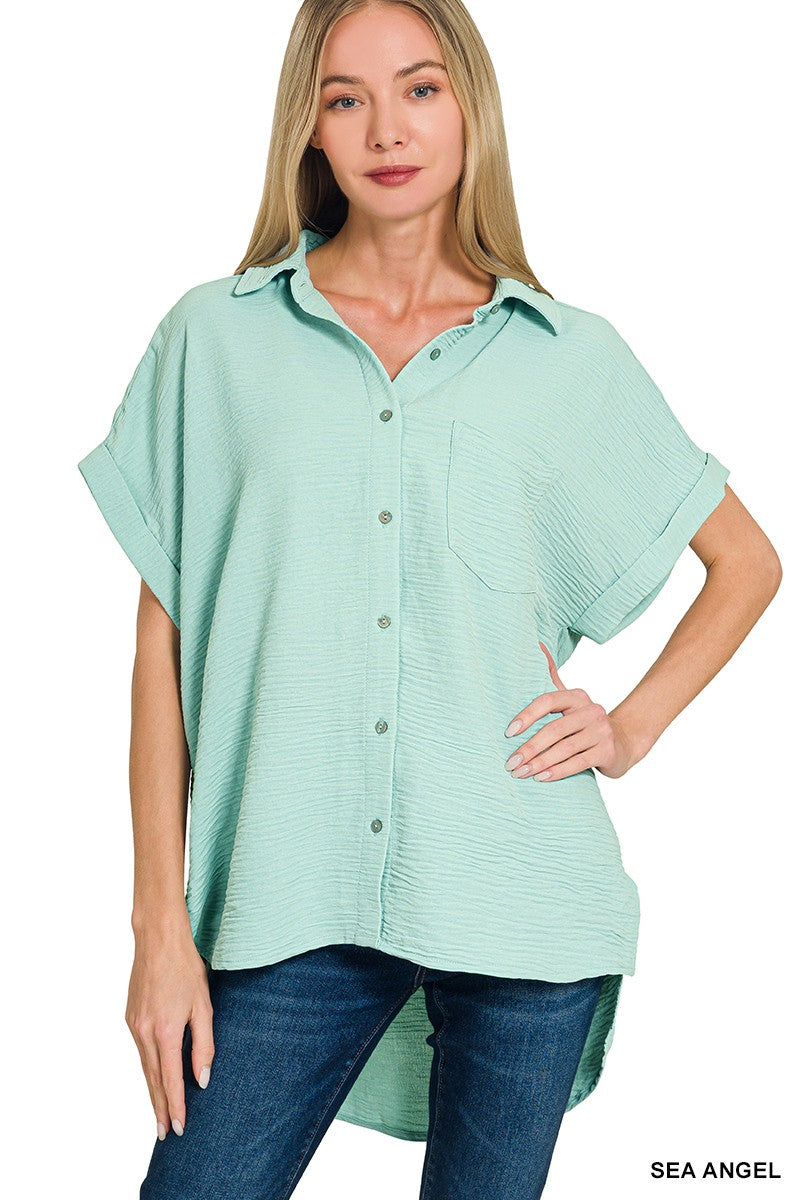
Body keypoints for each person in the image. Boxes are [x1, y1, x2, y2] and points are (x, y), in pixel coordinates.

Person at [76, 1, 782, 1196]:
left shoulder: (565, 356)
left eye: (418, 88)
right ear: (308, 125)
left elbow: (746, 562)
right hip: (286, 898)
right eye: (345, 97)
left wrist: (628, 727)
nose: (385, 129)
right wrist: (159, 926)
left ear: (469, 108)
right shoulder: (215, 340)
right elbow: (164, 641)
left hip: (523, 902)